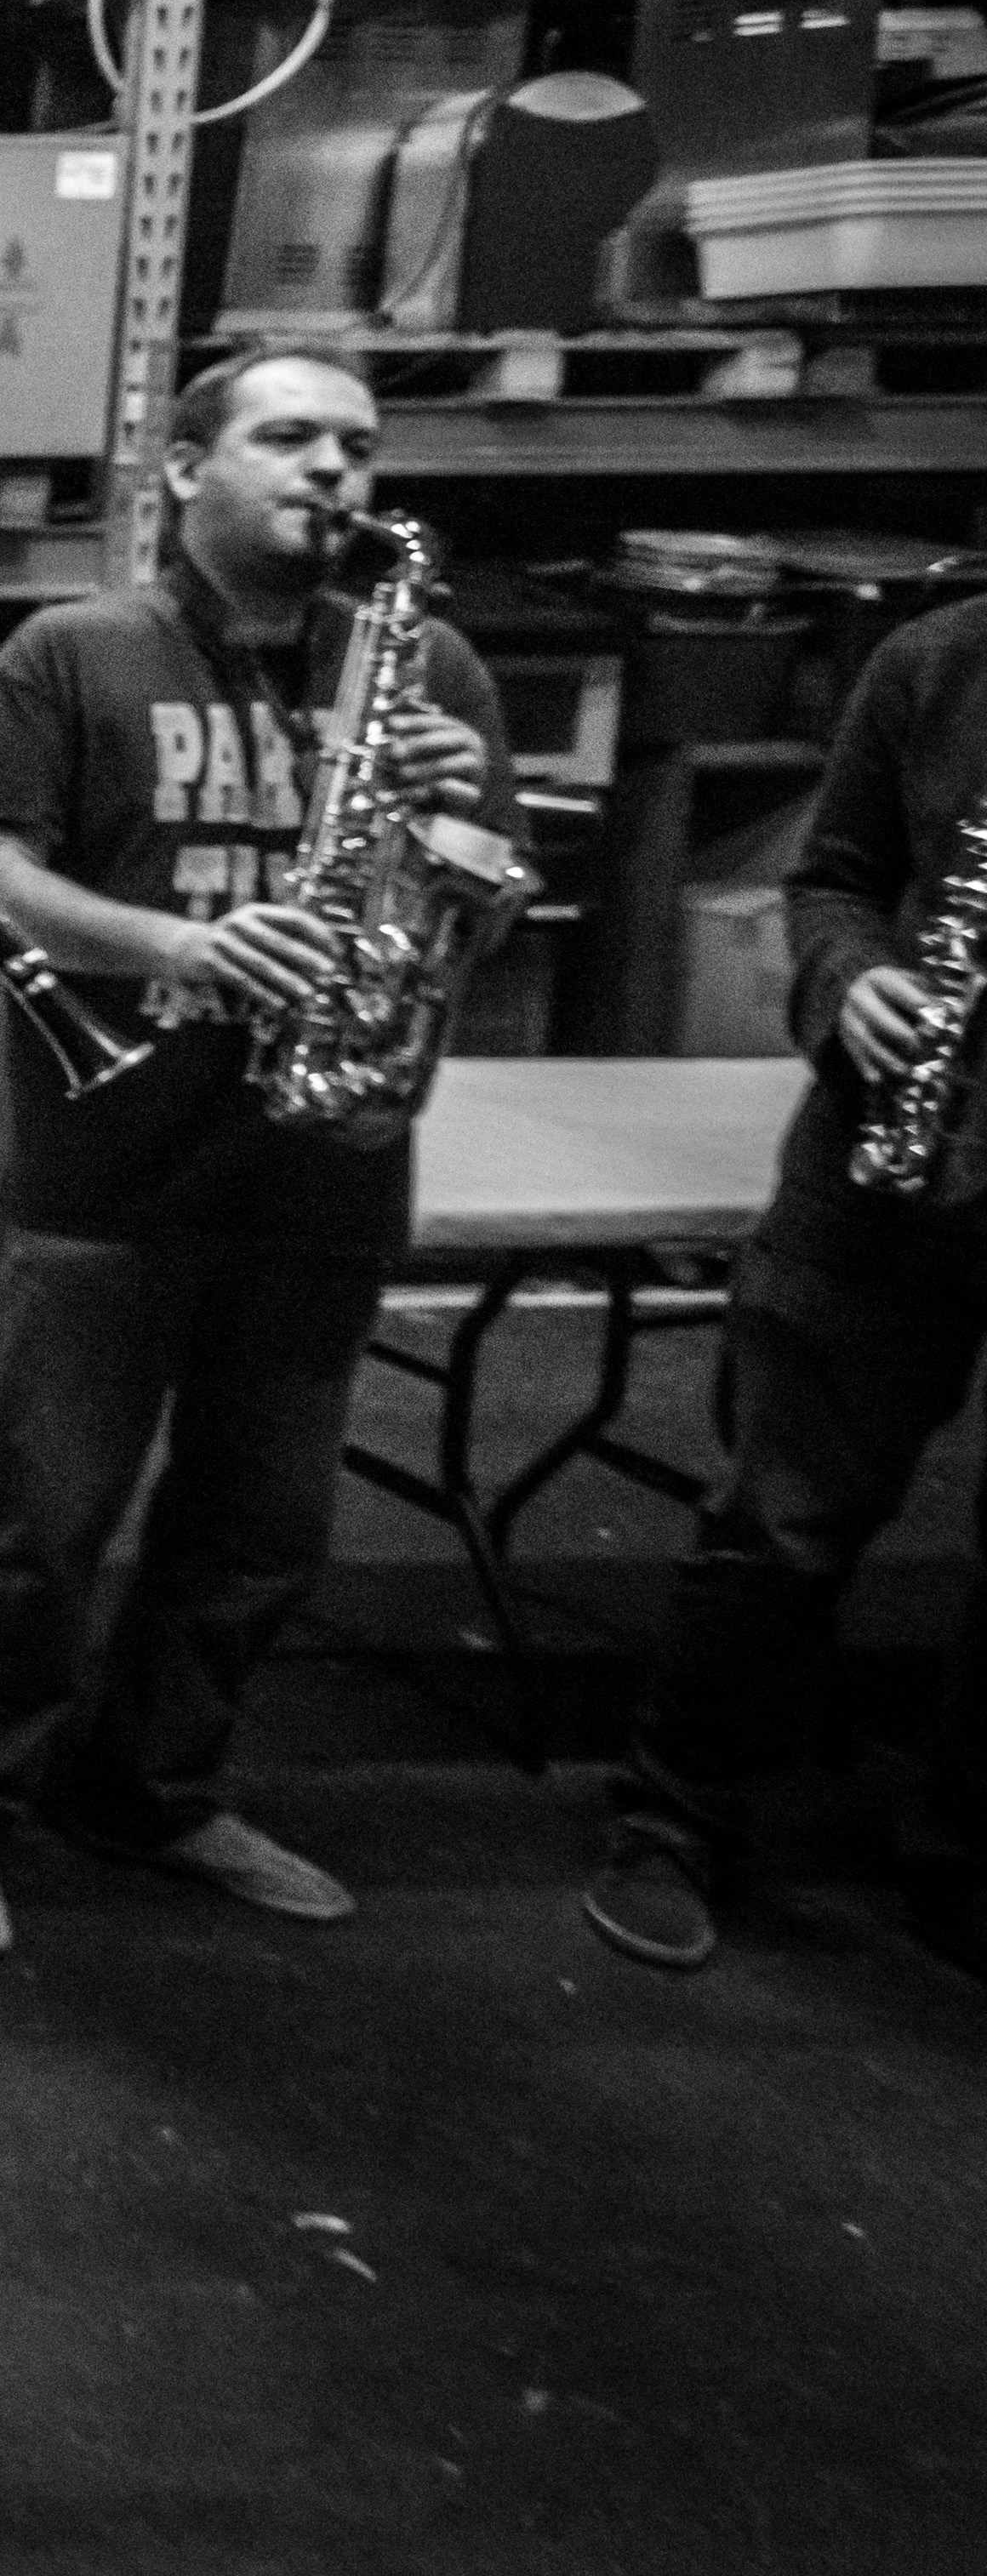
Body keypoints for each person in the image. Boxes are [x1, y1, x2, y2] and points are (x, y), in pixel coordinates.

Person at [0, 346, 515, 1964]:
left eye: (357, 446)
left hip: (325, 1167)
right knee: (48, 1520)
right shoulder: (75, 653)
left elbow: (487, 897)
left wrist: (455, 814)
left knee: (262, 1532)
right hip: (110, 1165)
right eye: (289, 438)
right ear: (182, 468)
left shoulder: (428, 663)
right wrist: (181, 941)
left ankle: (152, 1791)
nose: (333, 471)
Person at [582, 589, 987, 1980]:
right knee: (779, 1525)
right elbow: (834, 882)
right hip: (883, 1163)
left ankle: (963, 1855)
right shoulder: (937, 663)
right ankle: (672, 1820)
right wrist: (851, 978)